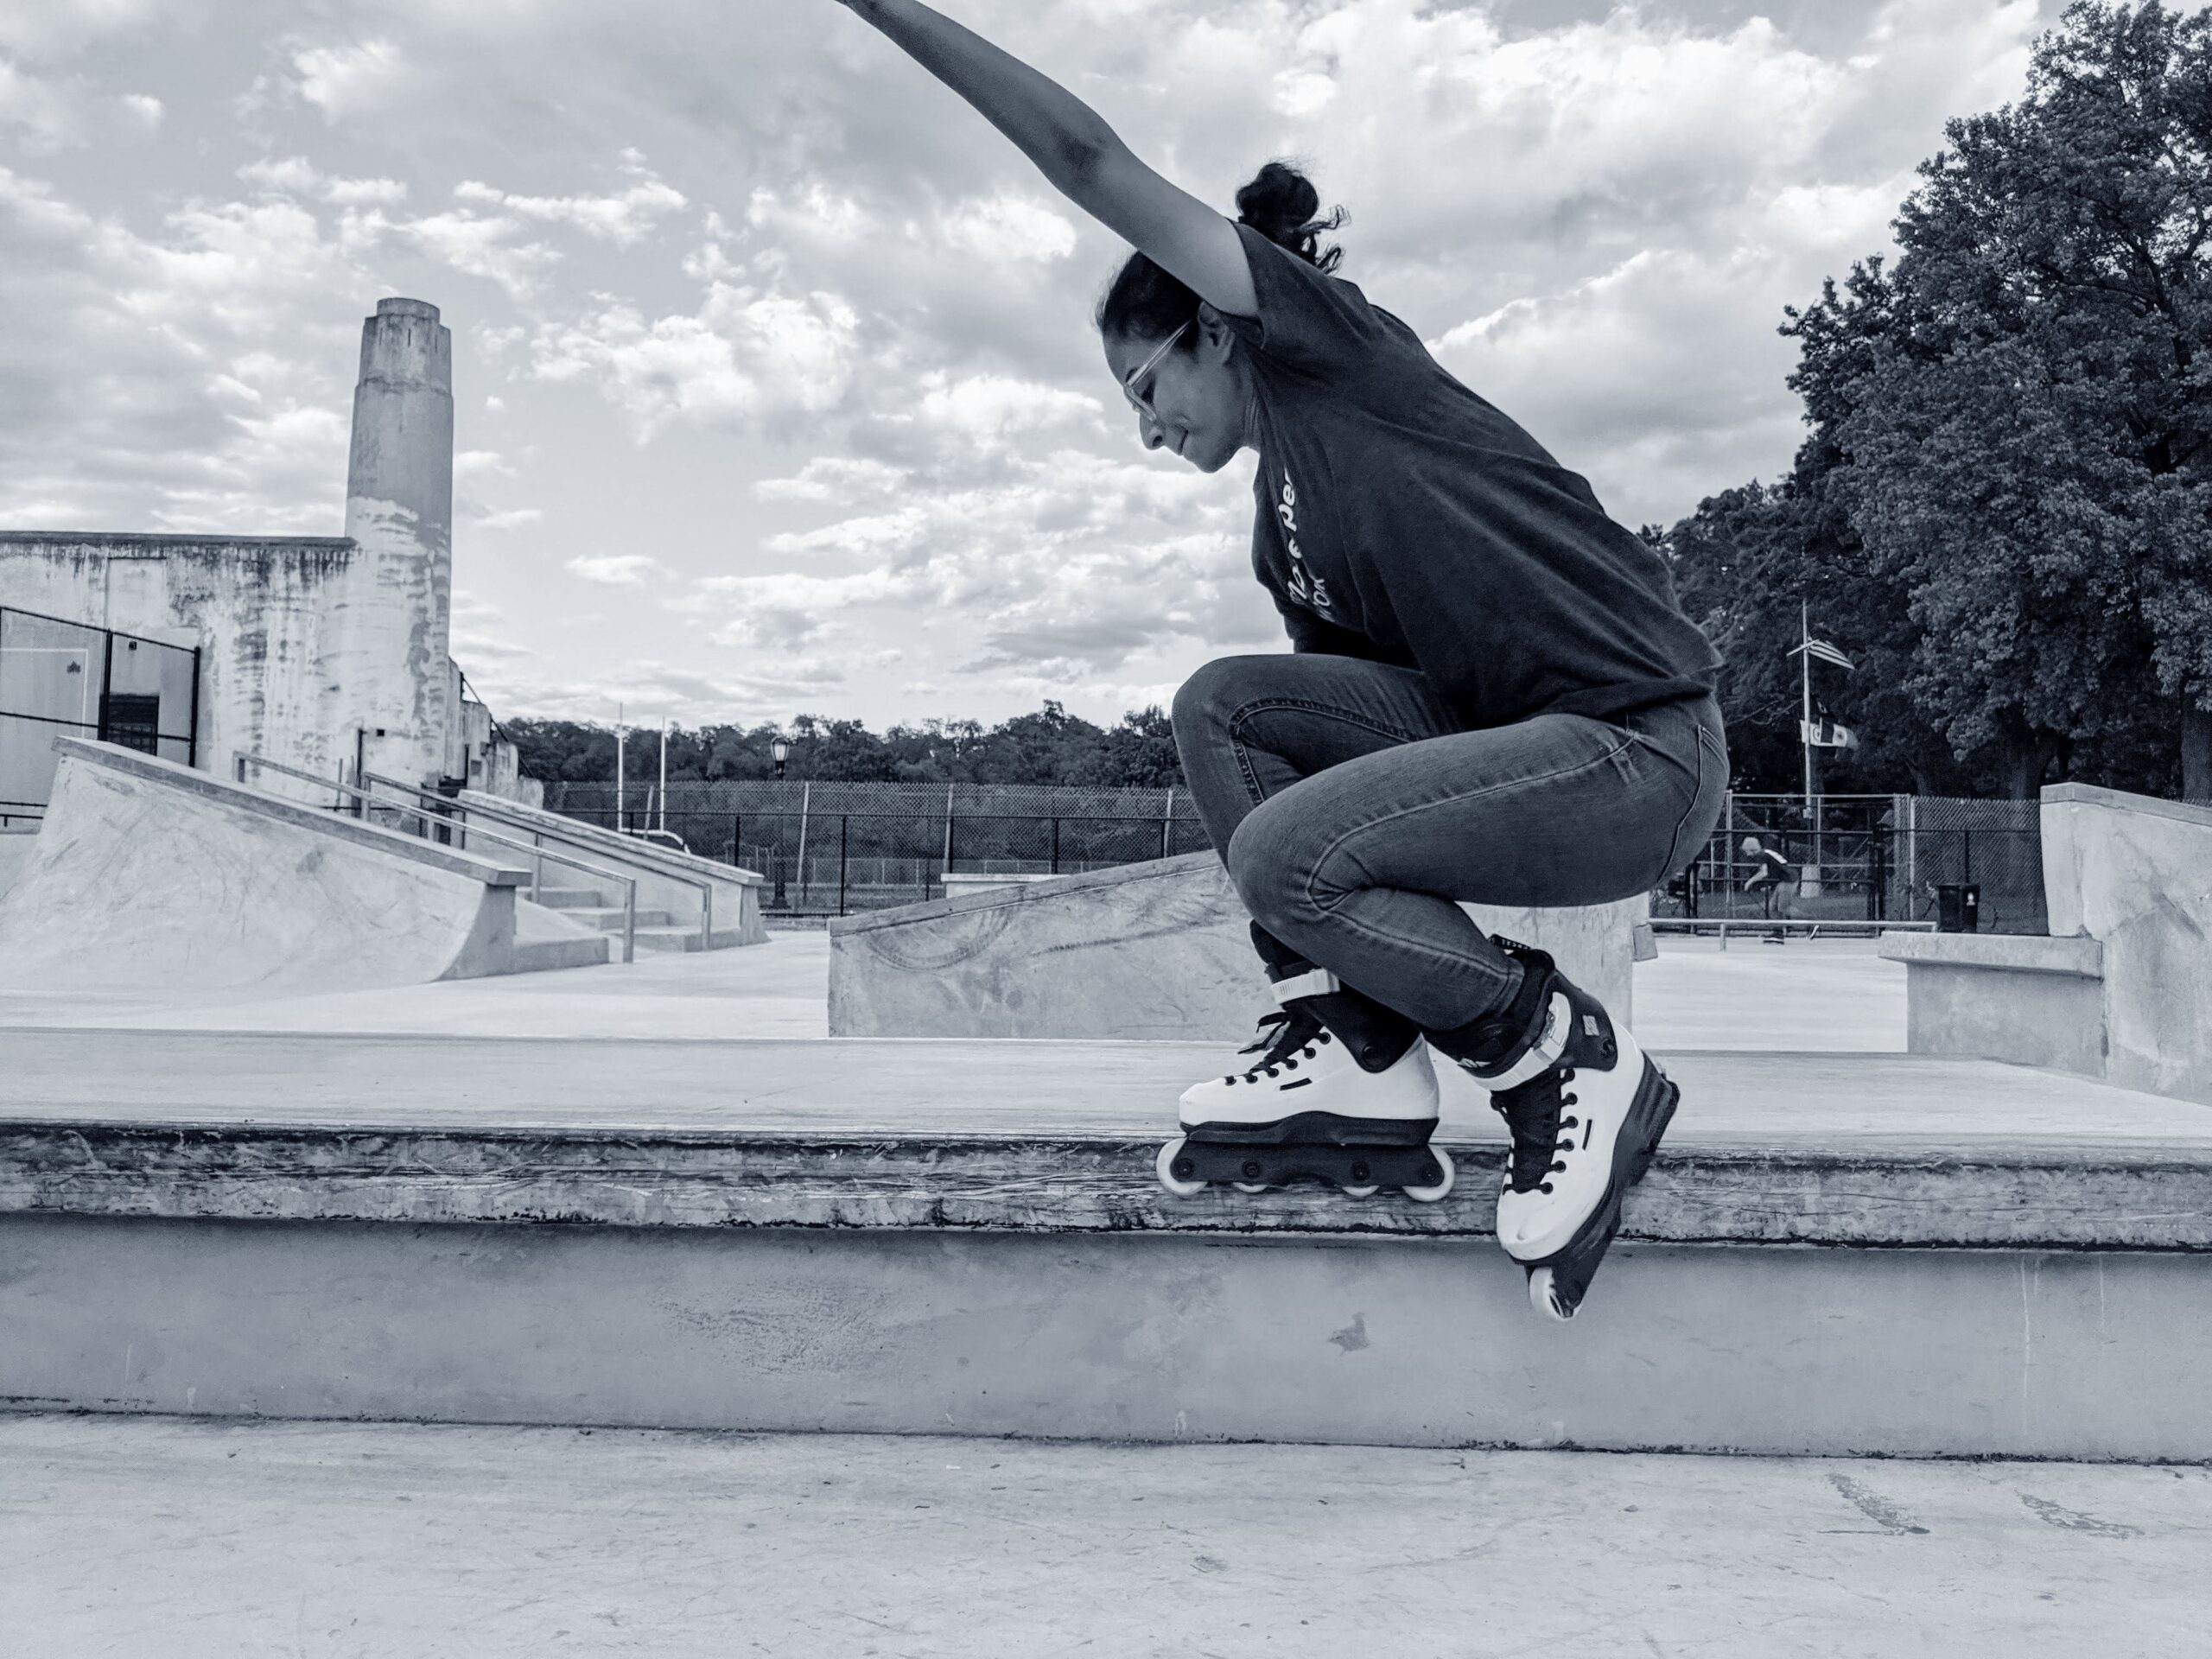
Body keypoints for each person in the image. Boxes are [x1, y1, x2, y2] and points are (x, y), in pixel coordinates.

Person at [834, 0, 1729, 1319]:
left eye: (1147, 387)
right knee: (1229, 706)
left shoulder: (1323, 345)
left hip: (1638, 750)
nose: (1145, 432)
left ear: (1214, 326)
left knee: (1283, 855)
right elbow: (1367, 750)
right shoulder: (1287, 541)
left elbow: (1088, 161)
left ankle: (1551, 1050)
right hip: (1523, 750)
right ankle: (1352, 1036)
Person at [1739, 836, 1799, 942]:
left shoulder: (1760, 855)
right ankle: (1778, 932)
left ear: (1752, 849)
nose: (1747, 854)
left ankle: (1811, 923)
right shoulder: (1765, 852)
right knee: (1773, 908)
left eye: (1747, 851)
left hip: (1789, 881)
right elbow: (1775, 868)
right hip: (1785, 880)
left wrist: (1749, 882)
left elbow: (1764, 873)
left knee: (1783, 908)